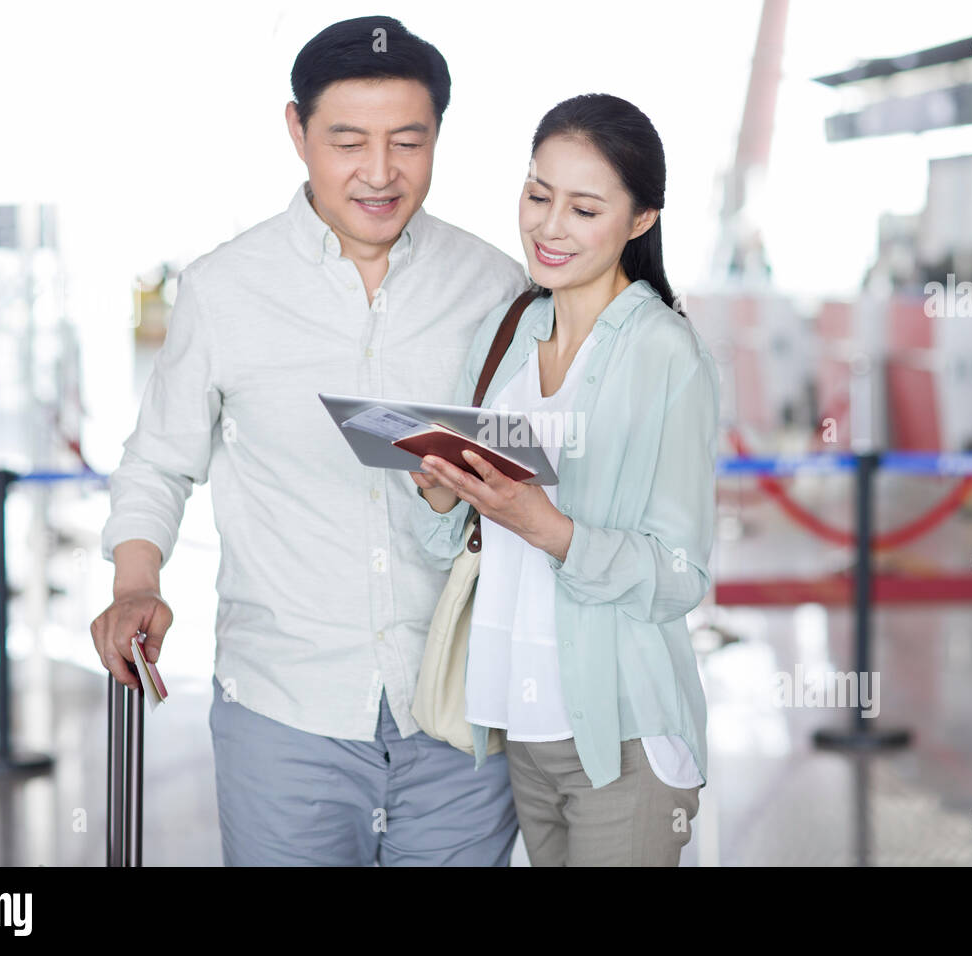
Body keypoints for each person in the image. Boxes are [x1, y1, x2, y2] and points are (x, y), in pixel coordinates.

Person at [90, 16, 527, 866]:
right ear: (296, 131)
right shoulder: (224, 290)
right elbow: (159, 458)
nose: (379, 173)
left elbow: (525, 460)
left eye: (409, 142)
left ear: (439, 134)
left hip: (462, 708)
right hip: (283, 710)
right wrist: (135, 580)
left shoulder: (493, 285)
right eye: (347, 141)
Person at [411, 93, 718, 866]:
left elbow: (680, 576)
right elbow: (463, 531)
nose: (549, 227)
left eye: (584, 209)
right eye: (538, 195)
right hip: (520, 722)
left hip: (622, 733)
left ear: (640, 220)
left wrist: (548, 527)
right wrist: (444, 491)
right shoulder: (511, 327)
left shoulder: (665, 354)